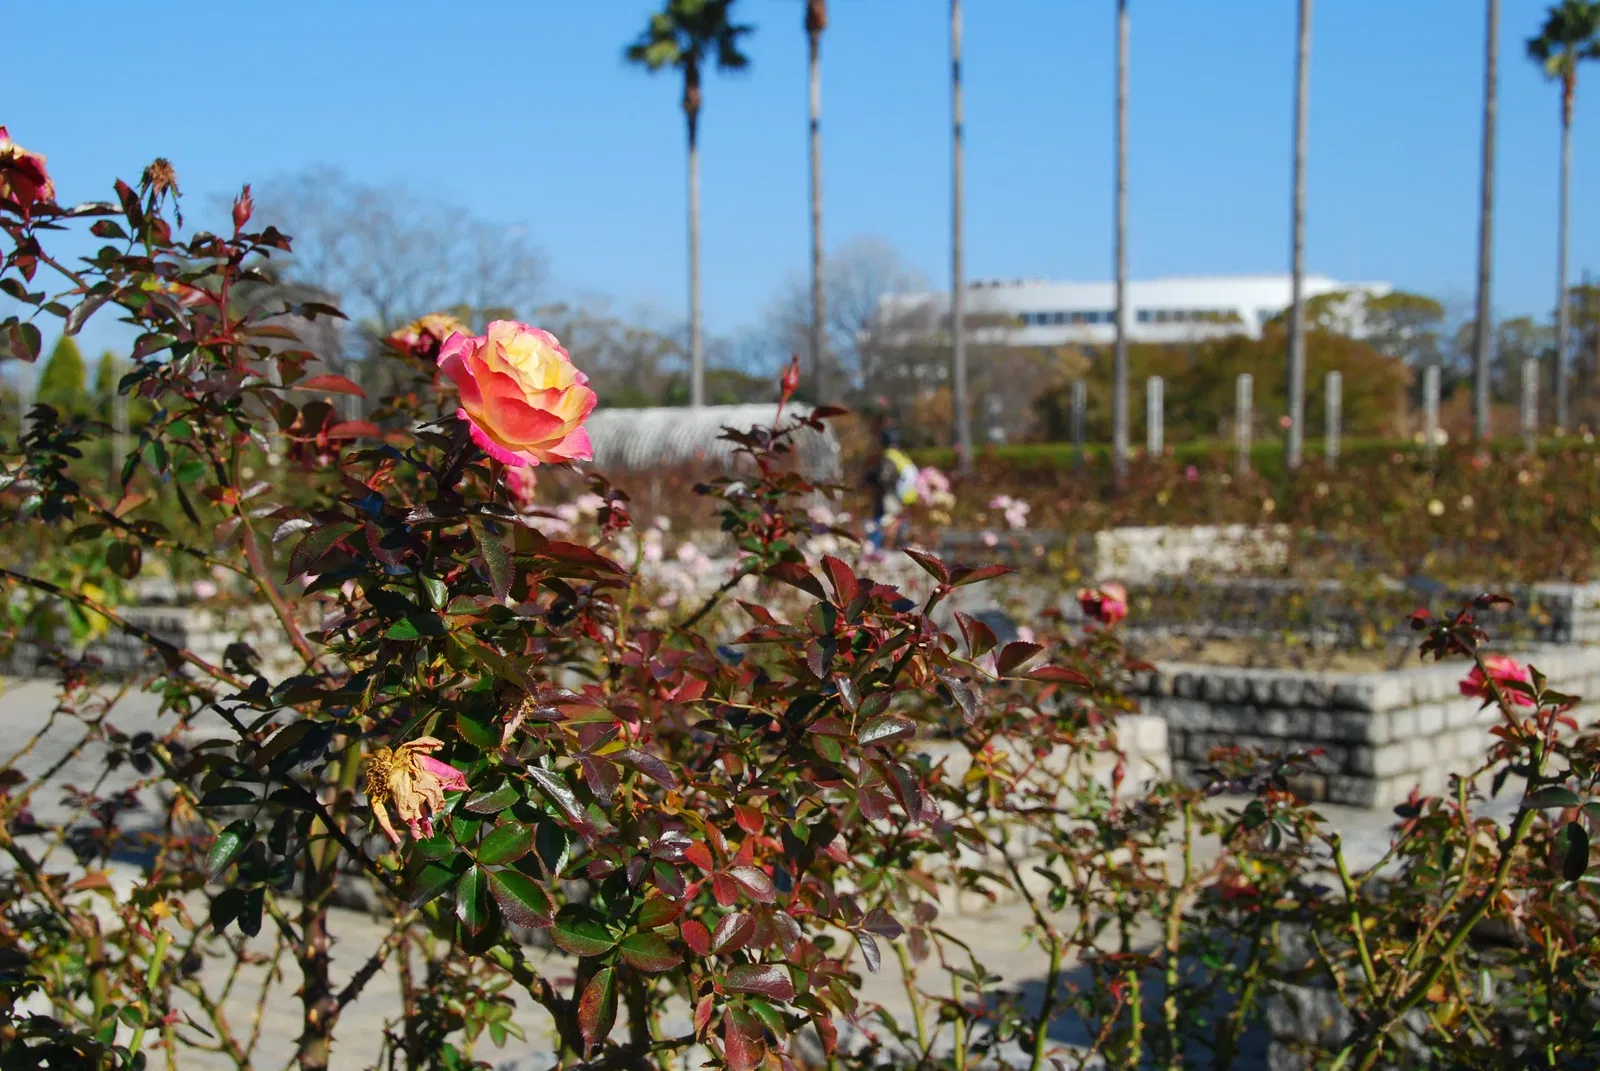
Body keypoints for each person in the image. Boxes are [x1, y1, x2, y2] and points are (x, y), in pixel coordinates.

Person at [865, 424, 919, 550]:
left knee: (884, 522)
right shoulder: (902, 455)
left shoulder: (888, 455)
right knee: (900, 523)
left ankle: (873, 549)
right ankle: (905, 547)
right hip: (907, 495)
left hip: (891, 495)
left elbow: (884, 477)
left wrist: (871, 479)